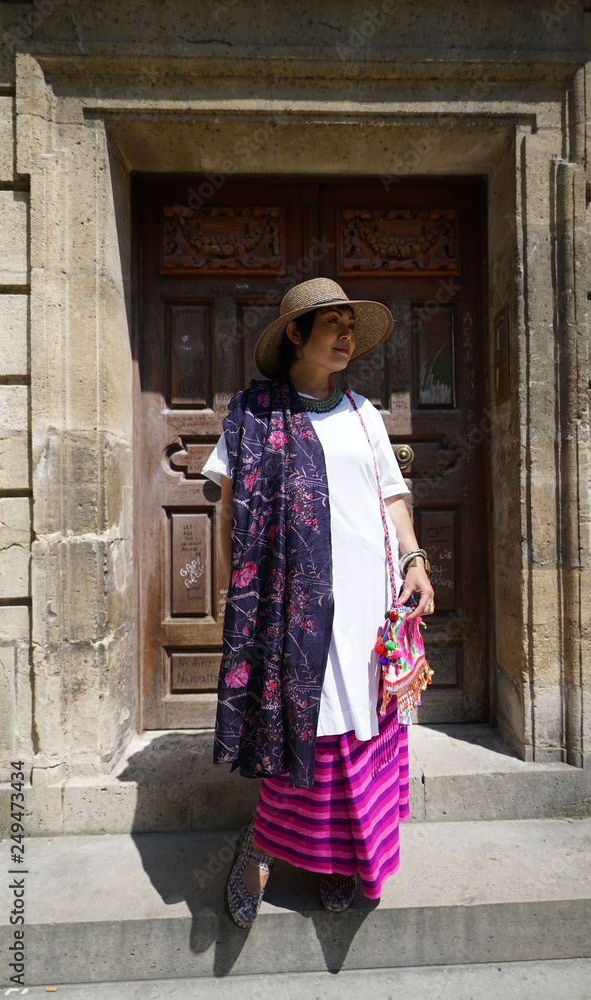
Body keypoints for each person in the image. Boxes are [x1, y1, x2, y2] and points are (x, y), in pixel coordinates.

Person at [202, 277, 434, 928]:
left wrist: (413, 560)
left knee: (361, 728)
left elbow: (392, 498)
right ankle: (264, 848)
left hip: (368, 604)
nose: (345, 335)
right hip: (290, 612)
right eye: (331, 323)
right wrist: (238, 596)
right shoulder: (253, 416)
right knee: (307, 726)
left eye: (349, 324)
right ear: (296, 335)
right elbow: (227, 509)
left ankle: (342, 859)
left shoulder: (363, 415)